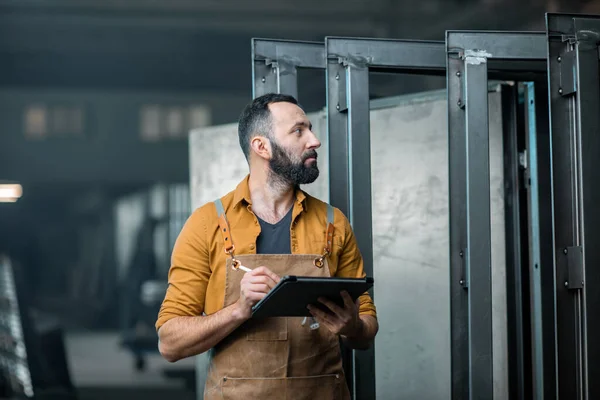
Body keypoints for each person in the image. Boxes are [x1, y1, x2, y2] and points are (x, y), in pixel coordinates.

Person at [155, 93, 378, 399]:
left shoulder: (333, 223)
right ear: (262, 146)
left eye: (310, 129)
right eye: (299, 131)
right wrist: (239, 310)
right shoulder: (207, 224)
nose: (315, 140)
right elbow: (170, 343)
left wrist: (352, 327)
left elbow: (367, 327)